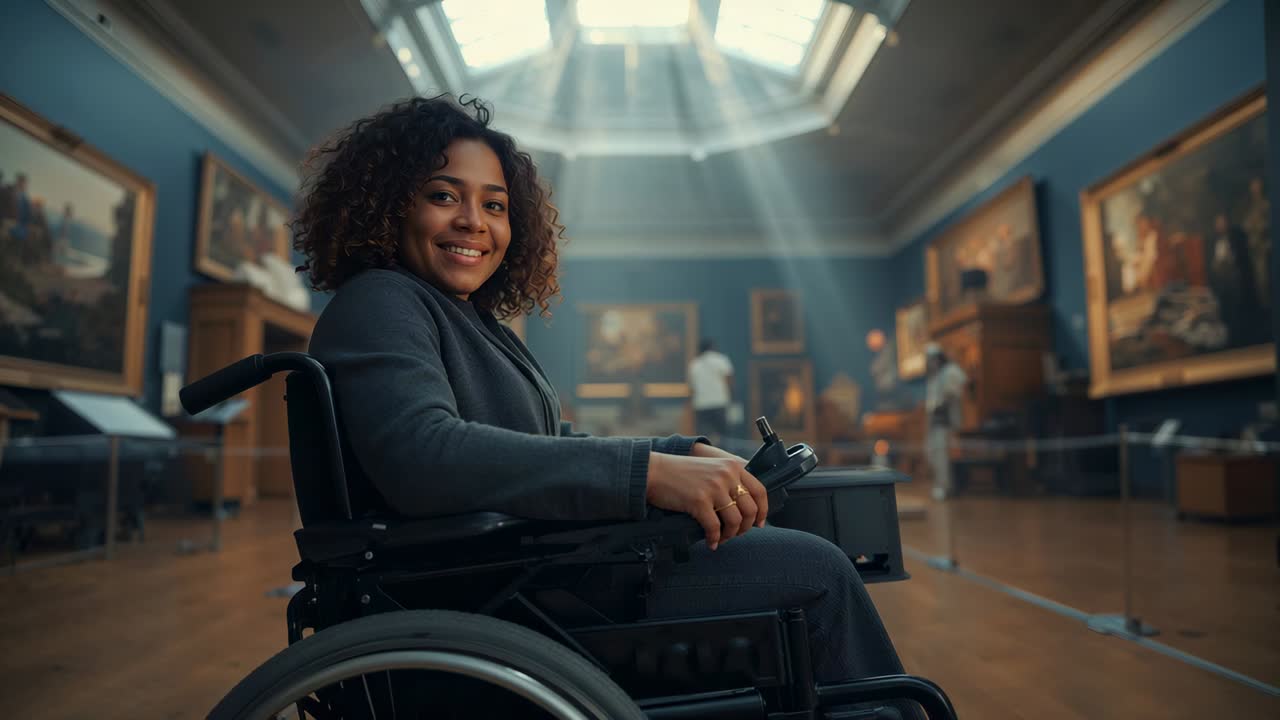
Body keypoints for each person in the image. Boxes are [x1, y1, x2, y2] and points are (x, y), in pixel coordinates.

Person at [299, 94, 912, 693]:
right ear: (387, 206)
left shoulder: (465, 318)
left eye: (495, 205)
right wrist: (646, 473)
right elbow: (423, 455)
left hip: (530, 570)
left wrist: (680, 451)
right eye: (443, 195)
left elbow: (543, 444)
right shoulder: (382, 300)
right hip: (500, 589)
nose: (474, 223)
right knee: (818, 570)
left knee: (797, 550)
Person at [924, 343, 967, 501]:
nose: (931, 363)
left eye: (934, 359)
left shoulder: (949, 372)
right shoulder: (933, 377)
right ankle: (942, 485)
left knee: (945, 456)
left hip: (946, 422)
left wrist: (943, 402)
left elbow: (953, 393)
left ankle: (947, 486)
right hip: (935, 422)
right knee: (935, 455)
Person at [688, 338, 733, 442]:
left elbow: (692, 388)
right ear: (712, 347)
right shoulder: (721, 360)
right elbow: (729, 380)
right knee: (724, 436)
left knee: (704, 438)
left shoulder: (694, 364)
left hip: (701, 405)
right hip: (719, 402)